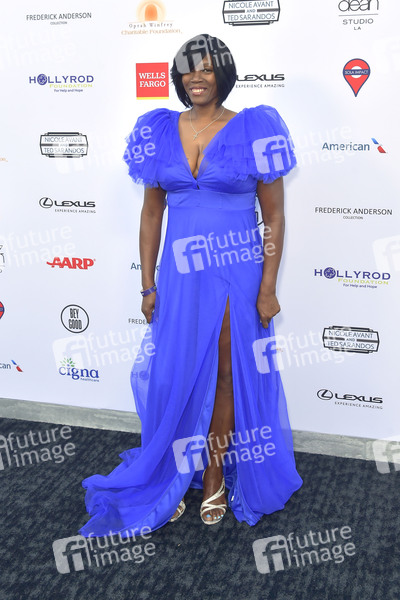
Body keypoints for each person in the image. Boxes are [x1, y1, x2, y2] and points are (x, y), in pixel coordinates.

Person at [79, 33, 302, 537]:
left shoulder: (255, 127)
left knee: (225, 372)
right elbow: (150, 214)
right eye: (188, 68)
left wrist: (268, 287)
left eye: (206, 67)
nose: (196, 77)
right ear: (179, 77)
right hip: (179, 276)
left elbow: (274, 217)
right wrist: (147, 284)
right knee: (172, 373)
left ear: (223, 73)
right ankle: (171, 473)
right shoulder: (157, 129)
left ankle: (215, 474)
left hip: (235, 270)